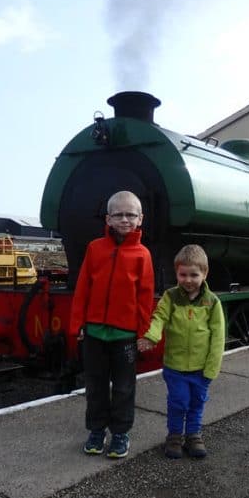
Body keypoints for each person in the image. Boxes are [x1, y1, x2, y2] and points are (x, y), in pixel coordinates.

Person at [69, 190, 155, 459]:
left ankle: (120, 433)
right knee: (95, 386)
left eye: (131, 214)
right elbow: (83, 288)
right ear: (108, 218)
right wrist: (77, 324)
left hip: (125, 336)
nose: (124, 219)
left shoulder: (143, 255)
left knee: (123, 387)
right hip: (94, 332)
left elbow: (144, 298)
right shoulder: (95, 248)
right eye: (118, 214)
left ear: (140, 219)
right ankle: (96, 431)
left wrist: (143, 333)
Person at [137, 244, 225, 459]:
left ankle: (194, 435)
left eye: (194, 275)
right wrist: (151, 336)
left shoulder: (212, 302)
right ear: (176, 273)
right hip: (175, 366)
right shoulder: (170, 297)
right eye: (182, 274)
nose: (187, 280)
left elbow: (218, 337)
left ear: (204, 273)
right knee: (179, 401)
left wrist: (212, 368)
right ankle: (175, 436)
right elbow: (160, 317)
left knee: (196, 403)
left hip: (201, 368)